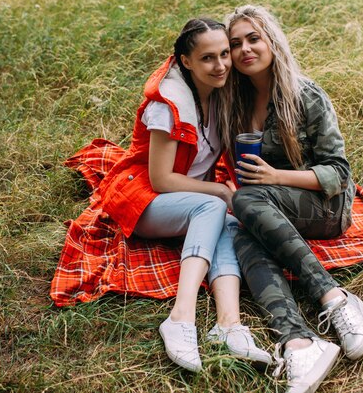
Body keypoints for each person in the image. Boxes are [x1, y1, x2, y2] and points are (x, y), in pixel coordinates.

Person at [96, 18, 271, 372]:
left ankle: (229, 325)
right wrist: (221, 190)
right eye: (208, 58)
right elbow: (161, 179)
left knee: (226, 217)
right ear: (186, 61)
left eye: (224, 54)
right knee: (213, 205)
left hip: (191, 201)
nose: (221, 65)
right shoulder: (168, 105)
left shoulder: (222, 94)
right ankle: (181, 316)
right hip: (145, 200)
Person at [220, 5, 363, 392]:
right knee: (241, 230)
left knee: (244, 204)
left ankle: (333, 297)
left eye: (253, 39)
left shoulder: (304, 94)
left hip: (326, 206)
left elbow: (338, 174)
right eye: (235, 44)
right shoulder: (233, 103)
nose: (245, 50)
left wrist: (275, 177)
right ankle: (298, 342)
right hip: (268, 206)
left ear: (272, 40)